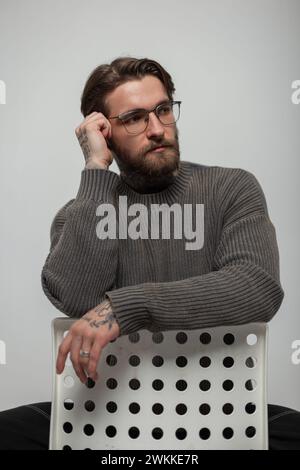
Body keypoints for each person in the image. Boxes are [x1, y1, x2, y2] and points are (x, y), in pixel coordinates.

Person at [0, 56, 299, 450]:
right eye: (134, 118)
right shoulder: (79, 214)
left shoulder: (231, 189)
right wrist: (95, 170)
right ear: (103, 132)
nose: (157, 129)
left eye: (162, 110)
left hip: (221, 405)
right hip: (107, 410)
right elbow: (73, 297)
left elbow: (257, 287)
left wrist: (127, 308)